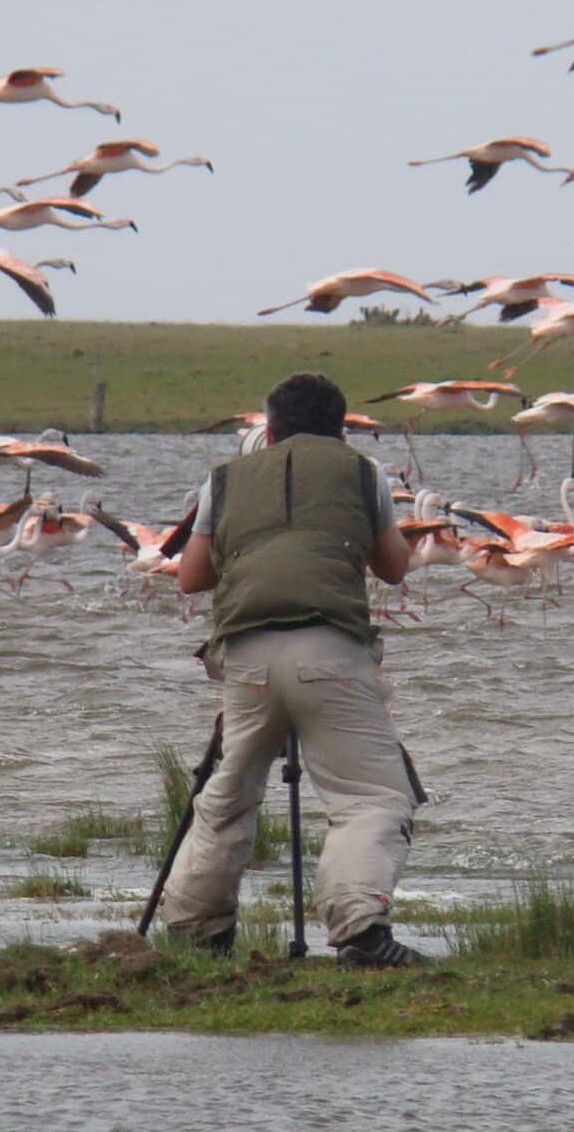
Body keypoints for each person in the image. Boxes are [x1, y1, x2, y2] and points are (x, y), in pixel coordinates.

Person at [163, 371, 423, 966]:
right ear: (342, 428)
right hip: (329, 653)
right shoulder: (363, 472)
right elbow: (395, 568)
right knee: (372, 795)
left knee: (229, 793)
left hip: (245, 655)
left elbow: (191, 577)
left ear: (270, 428)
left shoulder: (223, 479)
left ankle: (196, 932)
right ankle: (360, 931)